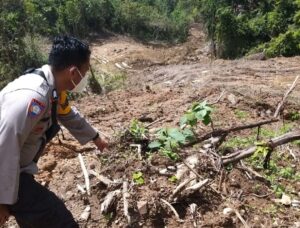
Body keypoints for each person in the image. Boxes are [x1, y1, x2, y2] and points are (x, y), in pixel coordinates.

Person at [0, 35, 108, 227]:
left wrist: (96, 137)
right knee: (59, 220)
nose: (85, 78)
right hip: (6, 169)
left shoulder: (53, 90)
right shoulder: (32, 97)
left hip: (16, 172)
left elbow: (67, 114)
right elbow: (5, 146)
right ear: (73, 72)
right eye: (85, 72)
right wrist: (2, 201)